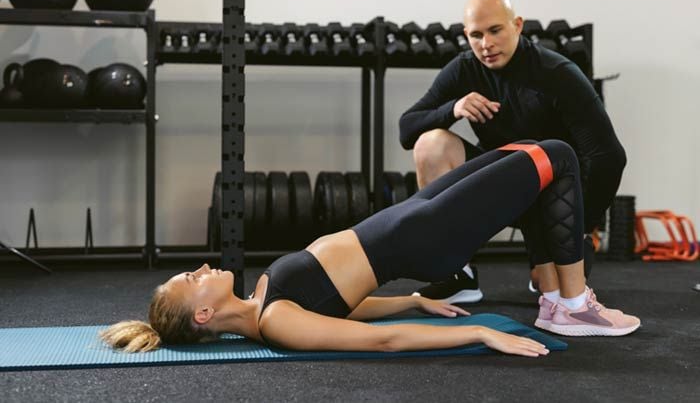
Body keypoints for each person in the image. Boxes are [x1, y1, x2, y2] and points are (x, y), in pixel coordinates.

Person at [101, 140, 640, 356]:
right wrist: (475, 330)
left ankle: (556, 296)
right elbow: (377, 341)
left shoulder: (266, 297)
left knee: (526, 154)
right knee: (557, 158)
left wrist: (415, 302)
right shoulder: (277, 323)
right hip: (428, 233)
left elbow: (343, 302)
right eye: (192, 280)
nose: (199, 268)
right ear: (203, 311)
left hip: (412, 216)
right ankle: (570, 306)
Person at [399, 0, 627, 303]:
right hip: (502, 188)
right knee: (430, 144)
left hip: (553, 197)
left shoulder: (557, 73)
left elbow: (609, 157)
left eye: (495, 31)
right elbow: (407, 129)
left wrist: (580, 229)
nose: (486, 44)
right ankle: (456, 274)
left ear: (517, 25)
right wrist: (453, 109)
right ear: (467, 36)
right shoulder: (464, 69)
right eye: (476, 35)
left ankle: (557, 256)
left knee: (551, 288)